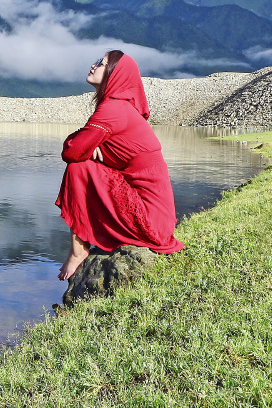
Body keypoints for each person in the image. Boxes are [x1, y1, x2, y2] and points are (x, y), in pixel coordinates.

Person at [56, 50, 185, 280]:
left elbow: (72, 152)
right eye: (97, 60)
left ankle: (78, 251)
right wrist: (82, 145)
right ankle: (82, 245)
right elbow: (78, 147)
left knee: (79, 166)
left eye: (102, 64)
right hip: (160, 221)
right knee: (84, 162)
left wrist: (79, 145)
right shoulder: (120, 107)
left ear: (115, 75)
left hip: (151, 222)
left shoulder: (113, 109)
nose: (93, 65)